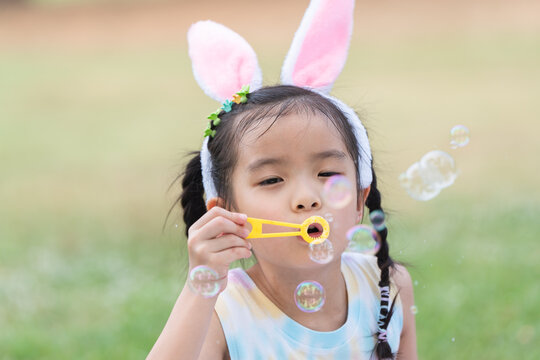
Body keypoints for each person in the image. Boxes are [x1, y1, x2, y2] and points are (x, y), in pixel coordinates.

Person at [148, 0, 417, 359]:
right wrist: (201, 288)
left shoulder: (386, 285)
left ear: (358, 201)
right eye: (272, 179)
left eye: (327, 174)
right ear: (228, 215)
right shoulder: (223, 312)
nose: (306, 198)